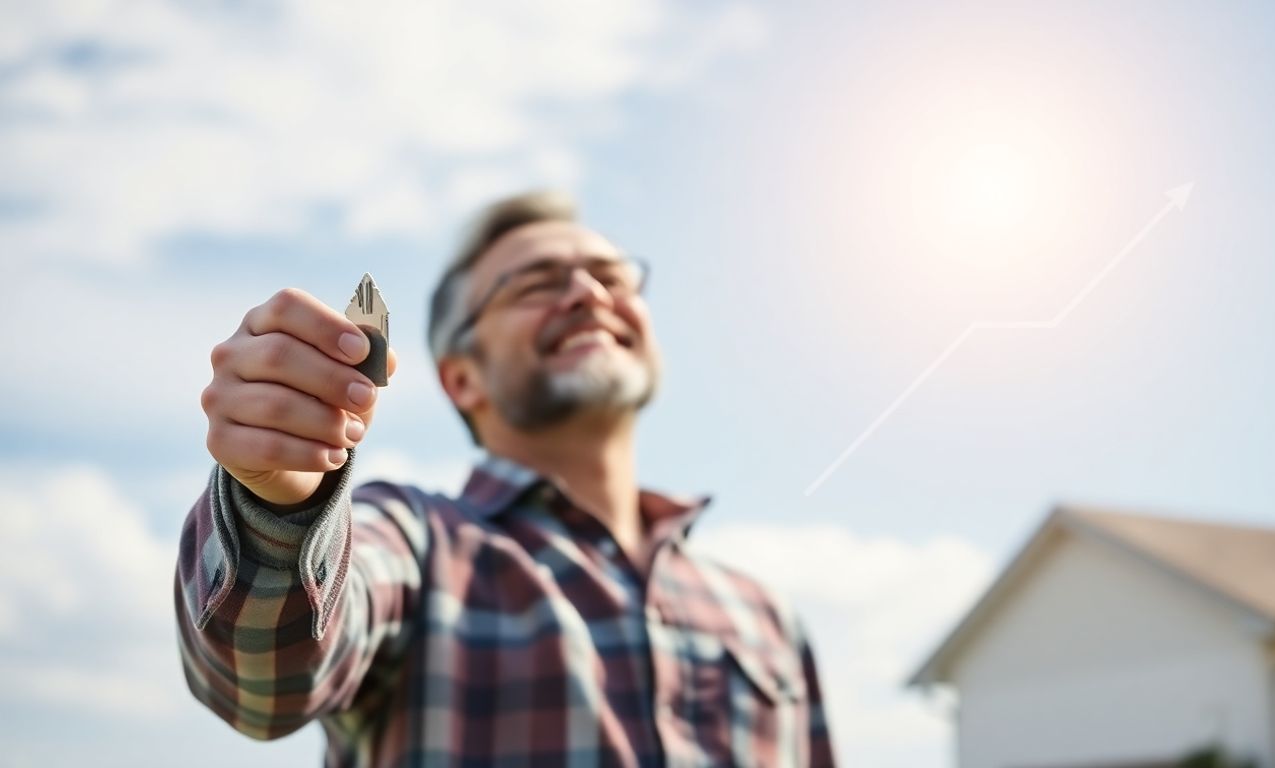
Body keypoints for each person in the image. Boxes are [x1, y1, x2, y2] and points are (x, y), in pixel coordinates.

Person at [174, 190, 837, 767]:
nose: (590, 293)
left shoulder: (766, 616)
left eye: (613, 276)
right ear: (463, 378)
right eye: (537, 284)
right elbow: (261, 687)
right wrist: (277, 502)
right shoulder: (414, 543)